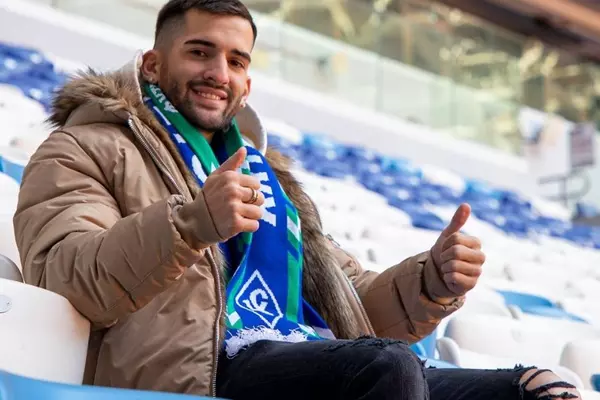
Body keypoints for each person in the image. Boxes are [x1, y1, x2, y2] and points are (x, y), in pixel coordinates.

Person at [13, 0, 580, 399]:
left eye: (236, 61)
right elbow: (66, 277)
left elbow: (352, 304)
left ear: (248, 83)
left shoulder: (269, 178)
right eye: (200, 52)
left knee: (537, 388)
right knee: (384, 368)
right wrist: (189, 225)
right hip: (196, 370)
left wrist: (430, 281)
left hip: (307, 354)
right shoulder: (82, 147)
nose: (218, 73)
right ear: (152, 65)